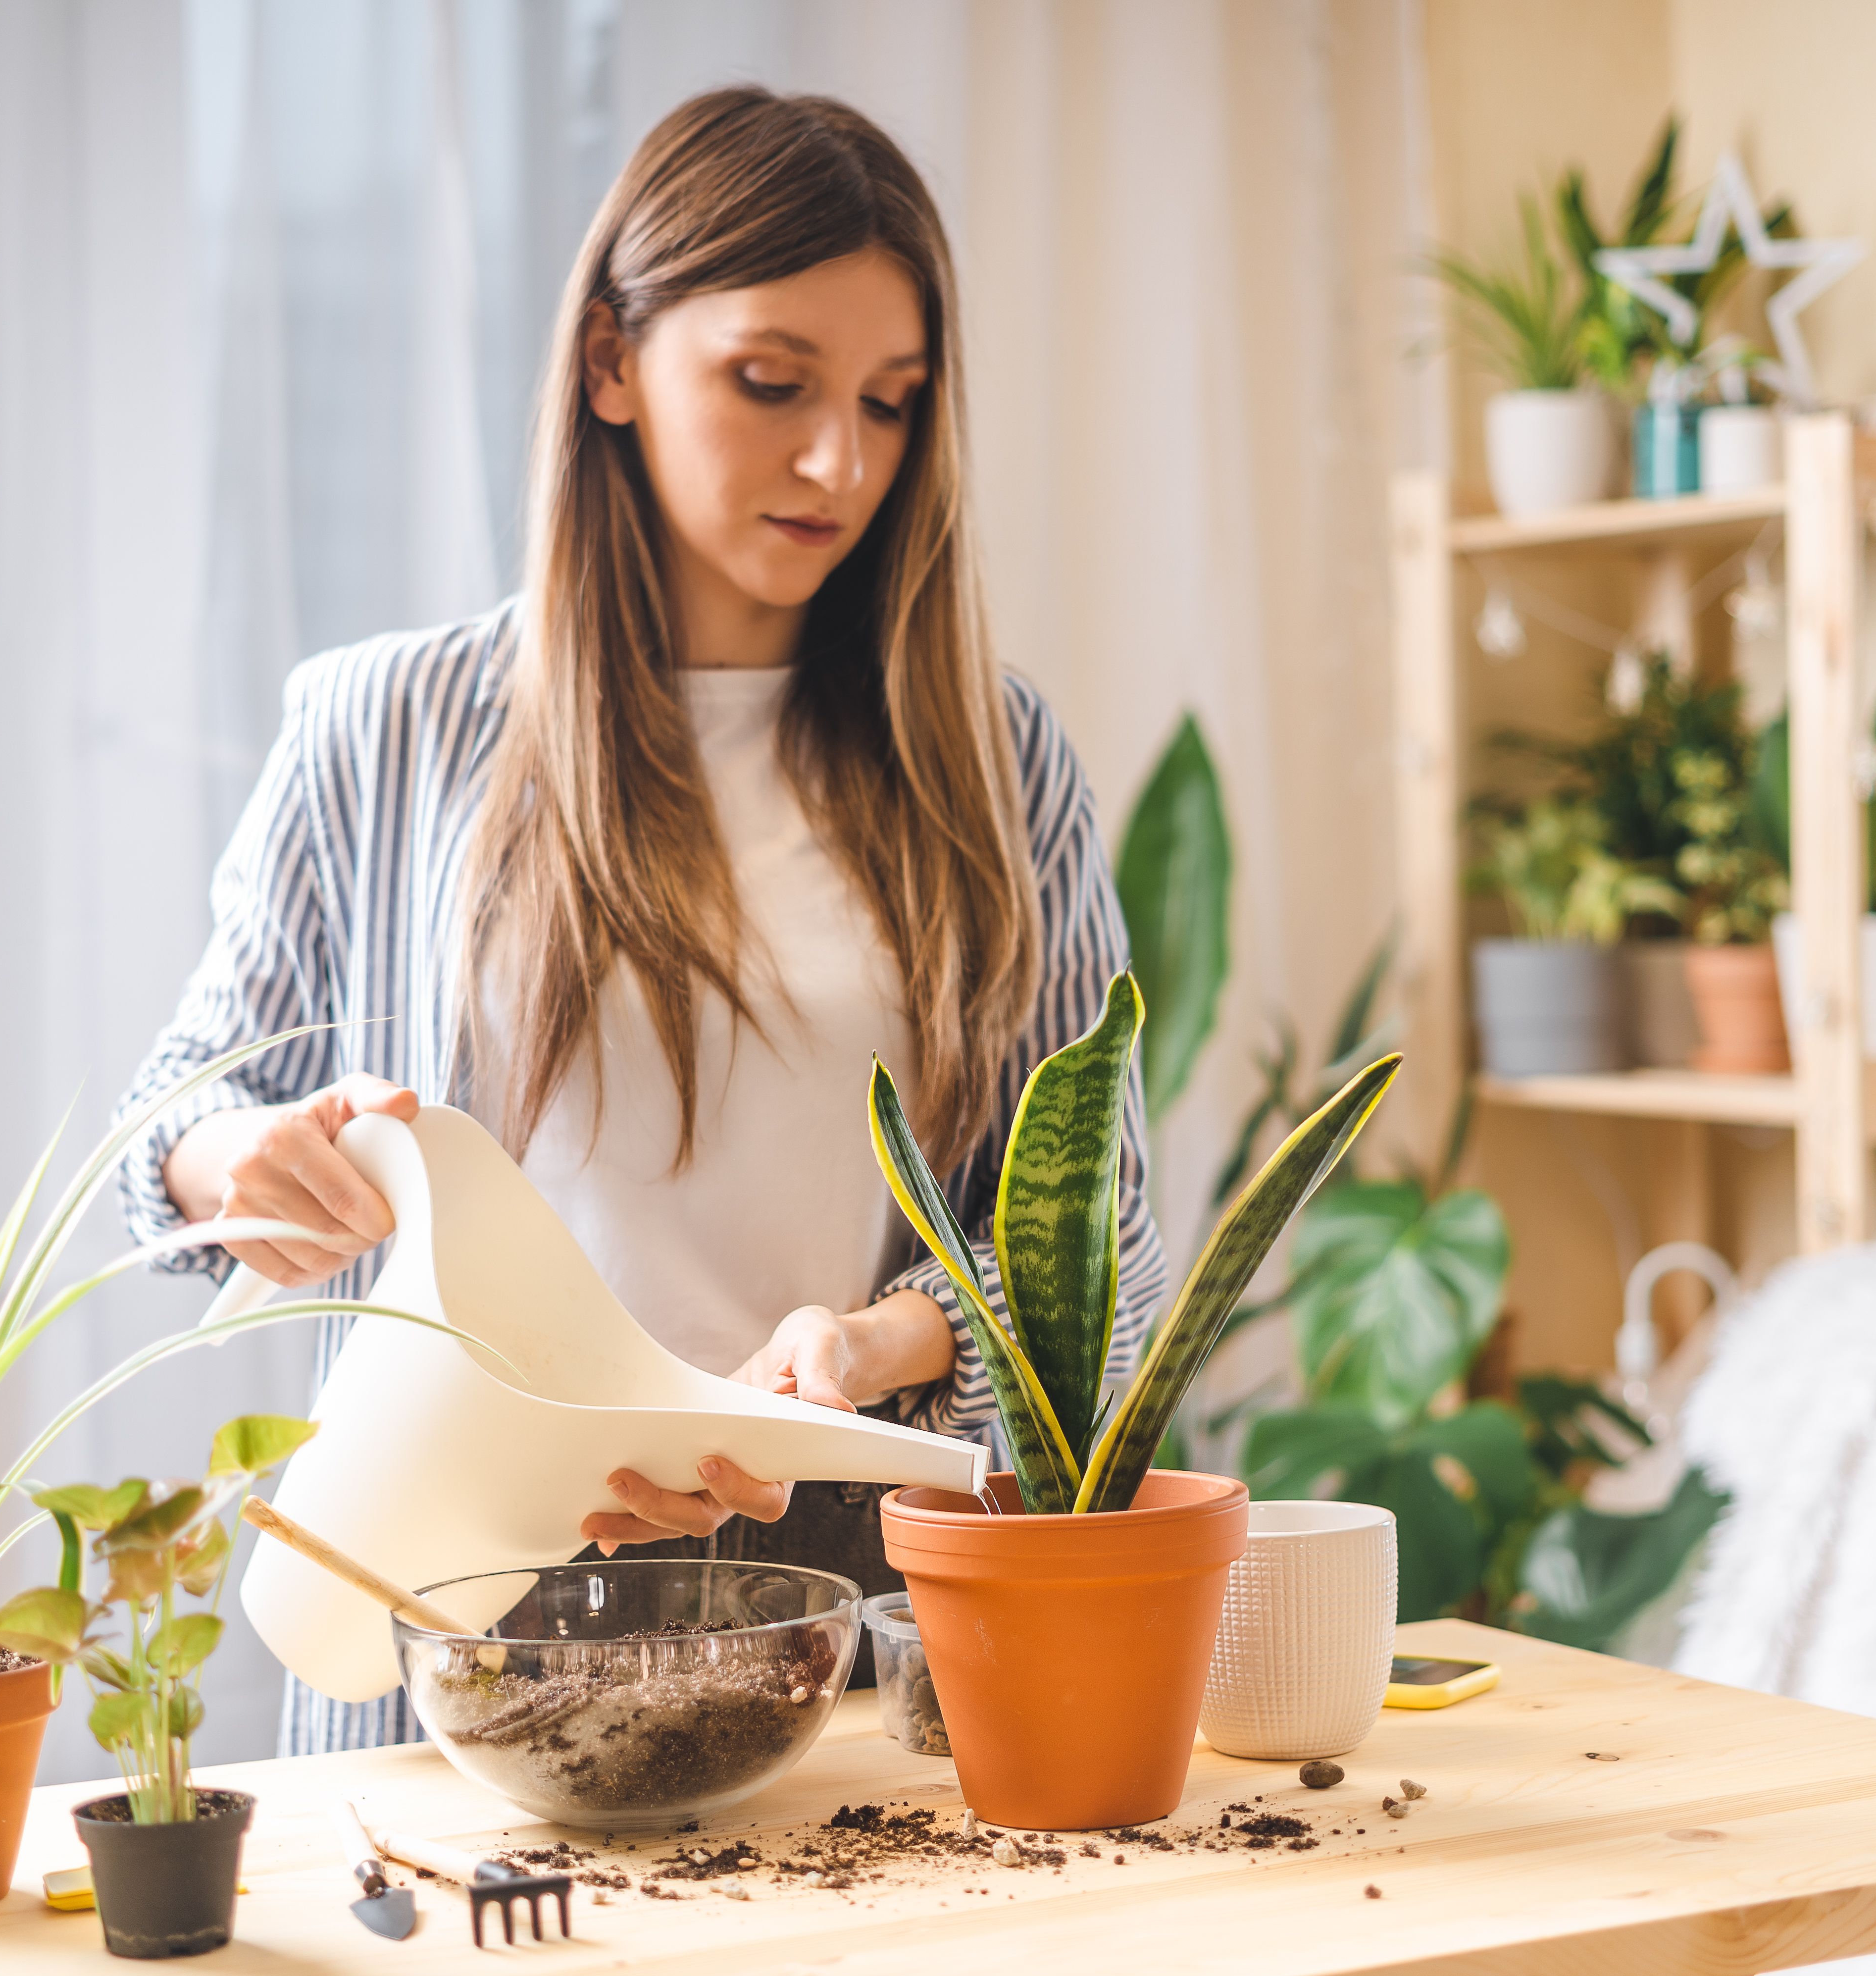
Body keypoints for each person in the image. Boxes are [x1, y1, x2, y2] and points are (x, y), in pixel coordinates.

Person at [115, 85, 1164, 1755]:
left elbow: (1102, 1239)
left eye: (891, 406)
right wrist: (231, 1165)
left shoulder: (991, 754)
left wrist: (879, 1344)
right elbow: (166, 1113)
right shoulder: (384, 727)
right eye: (773, 385)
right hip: (458, 1611)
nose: (841, 462)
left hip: (838, 1623)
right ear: (610, 362)